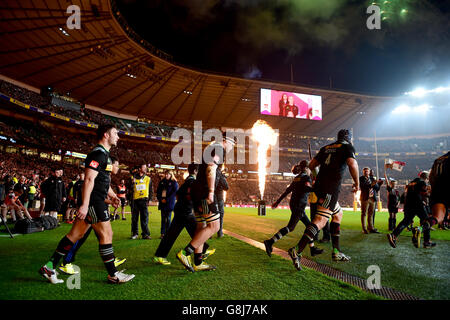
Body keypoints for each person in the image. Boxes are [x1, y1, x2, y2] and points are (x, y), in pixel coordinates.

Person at [39, 124, 134, 284]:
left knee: (75, 235)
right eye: (115, 133)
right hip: (94, 202)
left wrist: (113, 195)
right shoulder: (97, 154)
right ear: (106, 135)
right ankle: (113, 274)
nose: (118, 136)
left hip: (96, 199)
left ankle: (49, 267)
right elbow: (89, 179)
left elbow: (102, 181)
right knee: (106, 234)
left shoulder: (105, 155)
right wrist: (84, 205)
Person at [287, 129, 359, 271]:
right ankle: (297, 249)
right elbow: (352, 164)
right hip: (330, 189)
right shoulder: (347, 147)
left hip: (320, 186)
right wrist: (357, 183)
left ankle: (336, 252)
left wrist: (312, 178)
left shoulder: (326, 148)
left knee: (338, 214)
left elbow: (311, 166)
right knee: (320, 221)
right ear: (349, 138)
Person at [176, 133, 236, 272]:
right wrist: (211, 191)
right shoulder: (219, 149)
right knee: (214, 226)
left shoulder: (211, 147)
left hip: (197, 190)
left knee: (201, 225)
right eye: (232, 144)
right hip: (204, 191)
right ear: (225, 141)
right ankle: (185, 253)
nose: (232, 148)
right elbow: (211, 167)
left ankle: (198, 262)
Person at [59, 157, 126, 275]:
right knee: (80, 236)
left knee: (99, 236)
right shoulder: (99, 174)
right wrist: (86, 205)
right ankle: (65, 263)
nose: (117, 168)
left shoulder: (105, 176)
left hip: (92, 207)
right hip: (91, 208)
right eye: (117, 165)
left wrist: (113, 198)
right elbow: (94, 193)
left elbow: (101, 192)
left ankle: (111, 261)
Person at [153, 164, 215, 265]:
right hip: (185, 211)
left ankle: (160, 255)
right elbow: (190, 195)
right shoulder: (192, 181)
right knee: (196, 230)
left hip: (181, 209)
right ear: (195, 171)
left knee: (175, 233)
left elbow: (179, 193)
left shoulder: (187, 181)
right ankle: (203, 251)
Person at [264, 160, 323, 257]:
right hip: (299, 206)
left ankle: (312, 249)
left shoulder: (297, 178)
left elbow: (287, 191)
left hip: (295, 204)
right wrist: (316, 186)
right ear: (306, 168)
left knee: (309, 226)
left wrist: (278, 202)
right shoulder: (306, 178)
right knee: (290, 227)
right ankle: (270, 242)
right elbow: (308, 189)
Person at [414, 152, 449, 248]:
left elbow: (431, 177)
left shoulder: (439, 159)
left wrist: (435, 189)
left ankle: (420, 229)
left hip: (437, 189)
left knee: (438, 217)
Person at [387, 171, 431, 248]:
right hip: (418, 204)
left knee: (406, 221)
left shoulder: (412, 182)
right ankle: (426, 241)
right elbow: (425, 193)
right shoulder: (422, 183)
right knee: (427, 222)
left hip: (408, 204)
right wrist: (431, 193)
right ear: (426, 178)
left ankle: (393, 235)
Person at [131, 164, 152, 240]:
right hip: (135, 200)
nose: (145, 169)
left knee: (144, 218)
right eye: (144, 167)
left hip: (144, 200)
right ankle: (134, 233)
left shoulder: (148, 178)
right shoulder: (133, 177)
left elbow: (150, 190)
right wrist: (132, 183)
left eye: (146, 167)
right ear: (140, 168)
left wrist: (150, 199)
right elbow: (129, 188)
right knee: (134, 218)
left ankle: (145, 234)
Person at [156, 170, 178, 239]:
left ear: (171, 175)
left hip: (169, 203)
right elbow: (158, 191)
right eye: (166, 174)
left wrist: (167, 199)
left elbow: (174, 193)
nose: (166, 175)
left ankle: (168, 234)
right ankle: (162, 234)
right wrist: (160, 199)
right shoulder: (162, 182)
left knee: (168, 219)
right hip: (162, 203)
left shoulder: (174, 183)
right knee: (163, 219)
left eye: (168, 174)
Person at [359, 167, 379, 234]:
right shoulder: (361, 178)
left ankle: (371, 228)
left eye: (367, 171)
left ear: (369, 172)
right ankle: (364, 228)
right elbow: (363, 186)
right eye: (365, 171)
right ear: (363, 172)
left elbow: (377, 188)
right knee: (364, 213)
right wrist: (371, 184)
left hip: (372, 198)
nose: (366, 172)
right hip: (365, 198)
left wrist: (377, 184)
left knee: (371, 214)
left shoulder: (372, 178)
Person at [384, 164, 400, 231]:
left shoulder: (397, 191)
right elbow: (387, 182)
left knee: (395, 216)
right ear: (391, 184)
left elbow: (399, 199)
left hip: (396, 205)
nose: (394, 185)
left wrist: (398, 204)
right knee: (391, 215)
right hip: (390, 204)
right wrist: (385, 174)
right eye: (393, 184)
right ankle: (390, 227)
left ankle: (394, 226)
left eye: (395, 184)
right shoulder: (390, 189)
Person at [216, 164, 229, 238]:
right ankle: (220, 232)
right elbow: (226, 187)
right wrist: (224, 177)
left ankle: (209, 233)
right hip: (219, 198)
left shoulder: (212, 172)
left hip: (212, 198)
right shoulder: (220, 175)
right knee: (220, 215)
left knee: (211, 215)